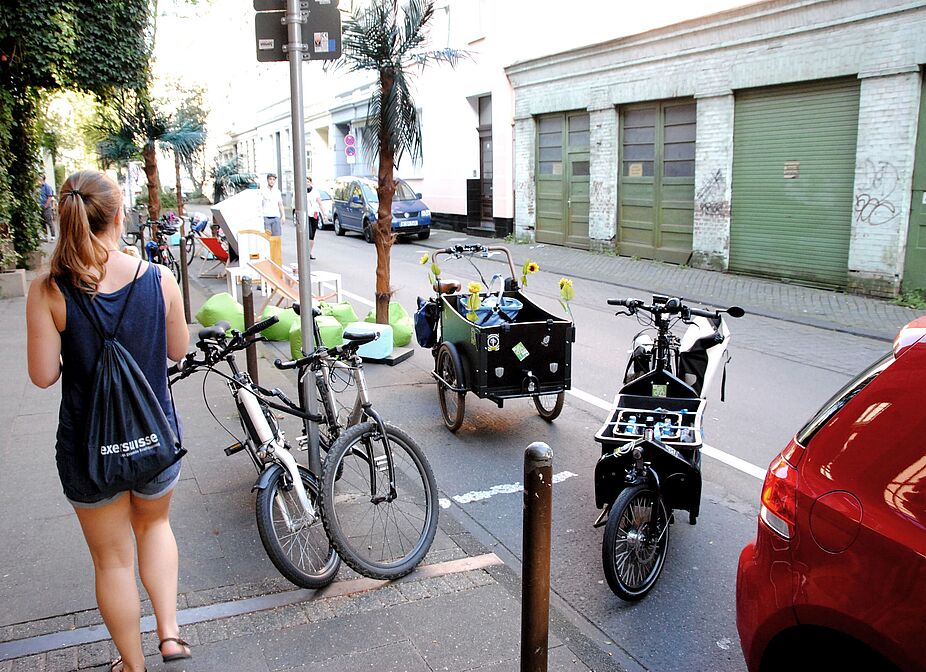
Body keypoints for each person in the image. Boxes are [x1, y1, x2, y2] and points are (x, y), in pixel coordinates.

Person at [25, 171, 192, 672]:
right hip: (154, 437)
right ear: (121, 216)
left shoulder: (48, 291)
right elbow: (178, 351)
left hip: (88, 449)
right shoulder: (159, 279)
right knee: (155, 524)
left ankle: (132, 666)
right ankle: (169, 635)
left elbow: (41, 376)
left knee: (113, 559)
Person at [306, 175, 324, 260]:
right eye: (305, 182)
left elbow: (320, 203)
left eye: (308, 182)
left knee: (312, 235)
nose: (307, 183)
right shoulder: (302, 192)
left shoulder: (315, 192)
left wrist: (324, 214)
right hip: (307, 215)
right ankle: (305, 252)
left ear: (311, 183)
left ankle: (309, 252)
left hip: (315, 214)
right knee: (309, 234)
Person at [38, 173, 57, 241]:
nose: (38, 181)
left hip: (46, 207)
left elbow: (50, 197)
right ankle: (45, 235)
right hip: (39, 206)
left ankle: (53, 235)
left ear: (43, 180)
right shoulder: (38, 187)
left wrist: (46, 205)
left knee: (49, 221)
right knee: (42, 222)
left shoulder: (47, 187)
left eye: (40, 179)